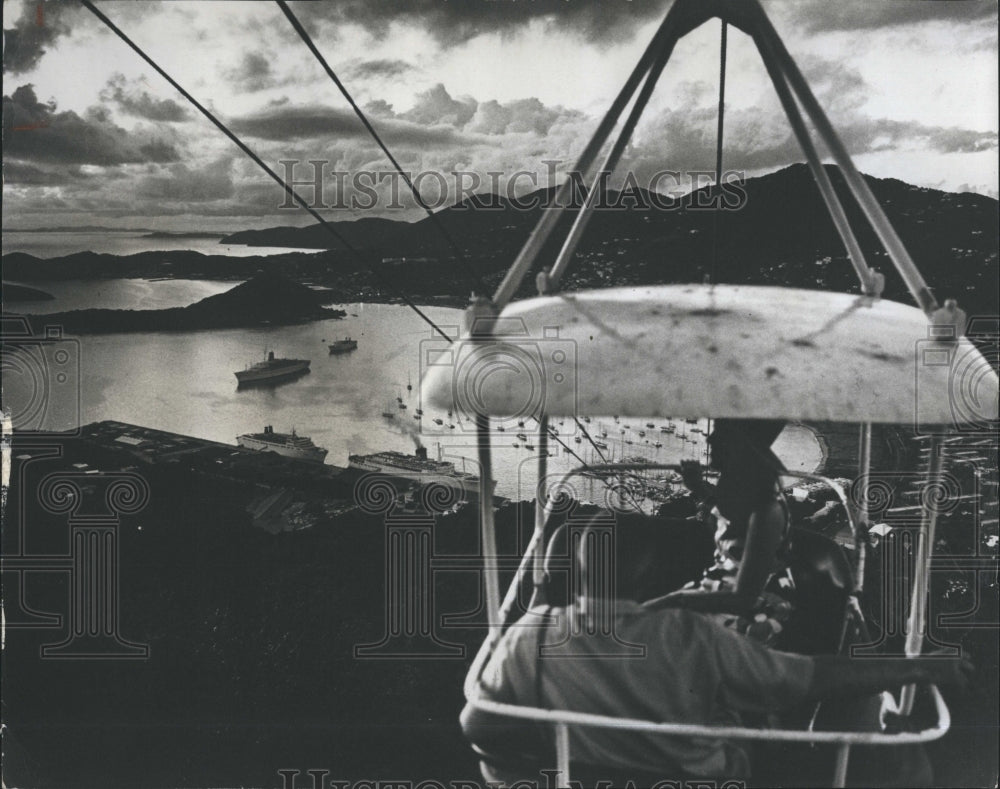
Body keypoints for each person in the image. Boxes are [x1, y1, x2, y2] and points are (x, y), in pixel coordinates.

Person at [461, 517, 973, 785]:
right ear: (648, 574)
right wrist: (920, 667)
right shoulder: (688, 634)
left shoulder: (531, 633)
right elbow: (809, 680)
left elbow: (478, 725)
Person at [653, 419, 795, 642]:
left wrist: (676, 600)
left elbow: (744, 598)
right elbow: (726, 521)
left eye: (720, 432)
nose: (710, 438)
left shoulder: (768, 510)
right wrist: (697, 486)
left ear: (740, 445)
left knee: (658, 636)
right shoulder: (742, 488)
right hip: (718, 588)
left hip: (755, 610)